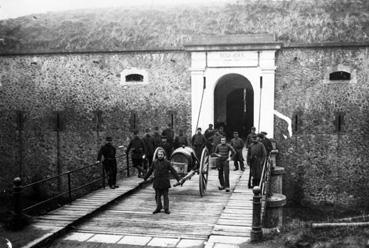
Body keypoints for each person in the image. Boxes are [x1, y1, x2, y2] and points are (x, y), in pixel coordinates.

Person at [143, 148, 181, 214]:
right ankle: (158, 207)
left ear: (164, 155)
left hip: (164, 181)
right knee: (157, 196)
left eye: (161, 154)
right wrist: (145, 177)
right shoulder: (154, 162)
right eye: (159, 154)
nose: (160, 156)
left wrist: (178, 179)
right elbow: (150, 170)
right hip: (157, 181)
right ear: (157, 155)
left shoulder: (167, 163)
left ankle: (166, 209)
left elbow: (173, 171)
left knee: (165, 196)